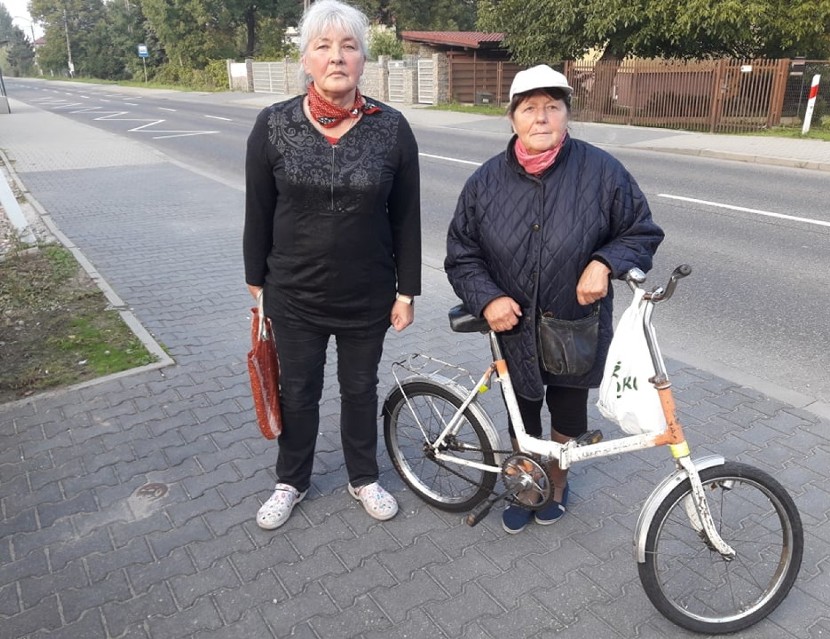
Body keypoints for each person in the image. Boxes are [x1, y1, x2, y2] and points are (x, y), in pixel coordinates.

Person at [445, 64, 663, 534]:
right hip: (513, 325)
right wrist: (487, 300)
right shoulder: (484, 183)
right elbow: (462, 255)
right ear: (513, 119)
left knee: (567, 410)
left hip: (573, 321)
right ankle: (527, 482)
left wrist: (604, 262)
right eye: (530, 108)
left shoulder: (602, 172)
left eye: (552, 107)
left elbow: (641, 230)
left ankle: (558, 482)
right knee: (521, 410)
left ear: (566, 114)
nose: (541, 117)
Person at [243, 0, 421, 530]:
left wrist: (406, 292)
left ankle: (363, 476)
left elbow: (407, 218)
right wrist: (258, 288)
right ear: (306, 59)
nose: (336, 56)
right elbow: (258, 211)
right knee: (297, 391)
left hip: (367, 294)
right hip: (293, 294)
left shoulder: (392, 128)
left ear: (364, 59)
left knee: (359, 389)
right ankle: (291, 480)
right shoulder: (272, 126)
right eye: (323, 46)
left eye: (348, 46)